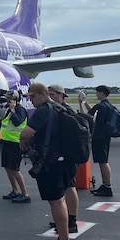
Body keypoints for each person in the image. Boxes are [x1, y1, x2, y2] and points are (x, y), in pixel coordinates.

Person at [19, 83, 76, 240]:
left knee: (56, 201)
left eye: (33, 97)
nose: (31, 100)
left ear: (43, 94)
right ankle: (65, 235)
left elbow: (26, 133)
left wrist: (23, 143)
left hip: (51, 162)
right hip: (66, 160)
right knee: (61, 198)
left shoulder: (43, 111)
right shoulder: (61, 109)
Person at [48, 84, 80, 232]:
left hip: (68, 156)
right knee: (64, 188)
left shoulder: (65, 112)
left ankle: (72, 221)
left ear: (61, 96)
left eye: (52, 95)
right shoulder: (58, 111)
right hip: (64, 155)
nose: (50, 98)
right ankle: (64, 218)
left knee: (70, 187)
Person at [79, 85, 115, 197]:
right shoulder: (107, 105)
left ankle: (107, 186)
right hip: (105, 136)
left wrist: (80, 103)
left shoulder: (102, 106)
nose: (96, 94)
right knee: (103, 161)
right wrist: (85, 102)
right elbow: (93, 112)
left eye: (97, 92)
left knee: (103, 162)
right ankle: (105, 185)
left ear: (102, 93)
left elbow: (85, 116)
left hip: (99, 137)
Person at [0, 90, 30, 203]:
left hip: (16, 143)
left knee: (15, 169)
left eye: (8, 99)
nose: (6, 100)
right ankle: (15, 190)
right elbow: (5, 124)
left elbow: (17, 122)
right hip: (7, 142)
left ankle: (25, 194)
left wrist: (12, 110)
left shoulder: (20, 110)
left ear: (14, 100)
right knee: (7, 167)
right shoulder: (10, 110)